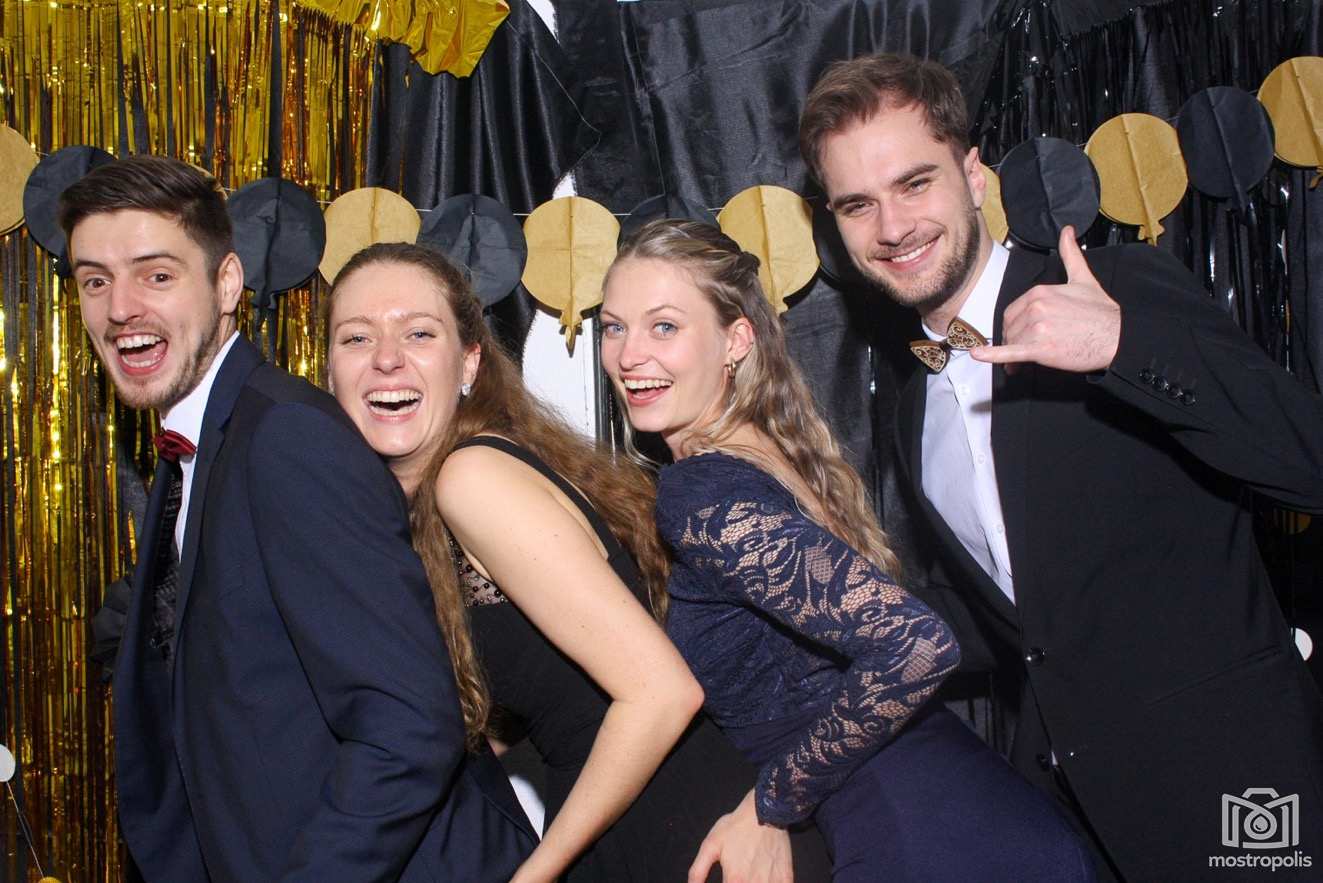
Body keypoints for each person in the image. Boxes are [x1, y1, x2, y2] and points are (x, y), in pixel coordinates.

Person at [800, 52, 1323, 881]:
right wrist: (818, 609)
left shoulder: (1115, 289)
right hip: (1077, 818)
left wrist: (1120, 344)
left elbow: (1305, 459)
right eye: (857, 204)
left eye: (914, 183)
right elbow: (1021, 613)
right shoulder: (913, 406)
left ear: (973, 176)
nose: (891, 227)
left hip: (1240, 788)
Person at [61, 156, 536, 881]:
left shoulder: (285, 434)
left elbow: (408, 724)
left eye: (156, 275)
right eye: (95, 281)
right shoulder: (202, 445)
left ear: (227, 284)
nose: (121, 307)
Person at [600, 218, 1095, 882]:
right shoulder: (768, 454)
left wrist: (770, 801)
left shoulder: (701, 489)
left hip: (923, 840)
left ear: (735, 339)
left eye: (664, 326)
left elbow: (916, 644)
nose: (630, 355)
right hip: (971, 807)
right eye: (613, 327)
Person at [324, 241, 828, 882]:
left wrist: (535, 876)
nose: (387, 358)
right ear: (330, 373)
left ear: (469, 363)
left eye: (419, 333)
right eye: (357, 338)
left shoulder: (471, 477)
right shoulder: (430, 505)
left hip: (683, 834)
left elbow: (661, 693)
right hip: (651, 821)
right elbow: (542, 682)